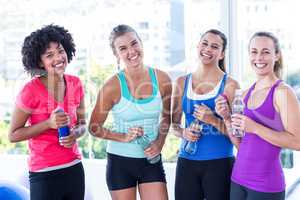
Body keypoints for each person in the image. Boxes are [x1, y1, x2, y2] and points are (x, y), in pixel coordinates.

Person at [89, 24, 171, 200]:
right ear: (116, 54)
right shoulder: (112, 86)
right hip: (120, 162)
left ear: (141, 43)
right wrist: (123, 136)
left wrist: (160, 142)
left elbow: (166, 117)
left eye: (134, 44)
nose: (131, 51)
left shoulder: (162, 79)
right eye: (123, 48)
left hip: (151, 160)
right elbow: (94, 127)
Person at [216, 31, 300, 200]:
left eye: (265, 52)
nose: (259, 57)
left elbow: (297, 142)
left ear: (276, 55)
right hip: (238, 180)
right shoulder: (246, 93)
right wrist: (226, 118)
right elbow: (241, 144)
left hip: (266, 185)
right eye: (254, 52)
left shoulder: (283, 92)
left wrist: (254, 127)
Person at [8, 24, 86, 200]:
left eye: (60, 51)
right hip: (44, 174)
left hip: (74, 168)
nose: (58, 58)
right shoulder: (30, 91)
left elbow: (83, 124)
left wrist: (75, 133)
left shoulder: (76, 83)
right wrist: (48, 124)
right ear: (39, 62)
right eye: (49, 55)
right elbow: (13, 135)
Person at [171, 29, 239, 200]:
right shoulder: (181, 82)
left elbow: (238, 134)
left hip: (220, 164)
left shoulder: (230, 85)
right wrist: (183, 132)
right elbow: (173, 125)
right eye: (205, 44)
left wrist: (213, 120)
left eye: (215, 46)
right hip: (187, 163)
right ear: (198, 46)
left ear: (222, 54)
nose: (208, 49)